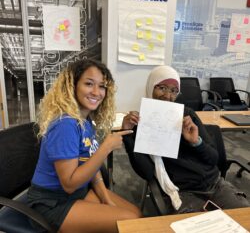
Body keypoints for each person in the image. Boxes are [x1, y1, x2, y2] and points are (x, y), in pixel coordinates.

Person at [28, 59, 142, 233]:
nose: (96, 92)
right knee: (131, 223)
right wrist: (105, 148)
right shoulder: (65, 124)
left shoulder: (85, 121)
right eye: (89, 84)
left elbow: (90, 166)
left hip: (77, 193)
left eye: (102, 86)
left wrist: (106, 200)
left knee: (136, 213)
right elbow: (69, 184)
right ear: (73, 85)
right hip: (51, 203)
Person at [122, 65, 250, 214]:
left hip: (214, 184)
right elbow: (147, 172)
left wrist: (197, 142)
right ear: (150, 87)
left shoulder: (187, 115)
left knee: (243, 219)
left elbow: (214, 158)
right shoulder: (141, 123)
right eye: (162, 88)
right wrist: (128, 135)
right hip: (181, 192)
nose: (167, 96)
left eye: (173, 91)